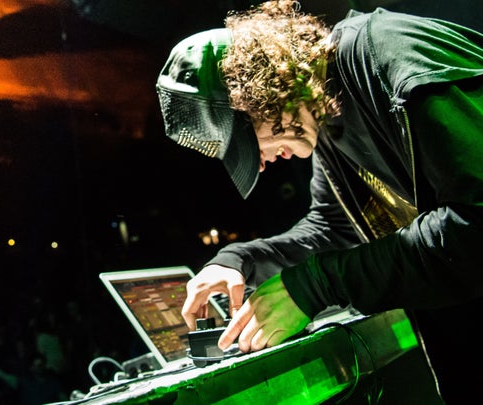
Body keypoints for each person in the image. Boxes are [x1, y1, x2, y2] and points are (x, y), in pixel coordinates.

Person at [155, 1, 483, 403]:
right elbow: (334, 231)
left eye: (247, 142)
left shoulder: (383, 51)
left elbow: (477, 220)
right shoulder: (328, 123)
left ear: (257, 91)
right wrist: (239, 260)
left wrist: (315, 284)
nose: (258, 161)